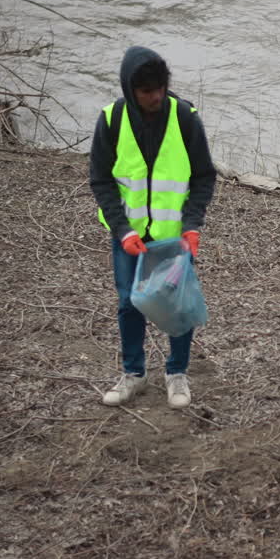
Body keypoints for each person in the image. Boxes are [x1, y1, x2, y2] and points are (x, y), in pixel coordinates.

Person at [89, 46, 217, 409]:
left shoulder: (185, 117)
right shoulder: (111, 119)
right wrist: (122, 229)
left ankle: (177, 374)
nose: (156, 96)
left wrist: (193, 225)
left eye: (160, 88)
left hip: (174, 235)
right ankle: (134, 374)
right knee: (129, 304)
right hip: (129, 238)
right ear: (131, 90)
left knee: (178, 304)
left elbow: (204, 177)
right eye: (147, 91)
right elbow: (100, 180)